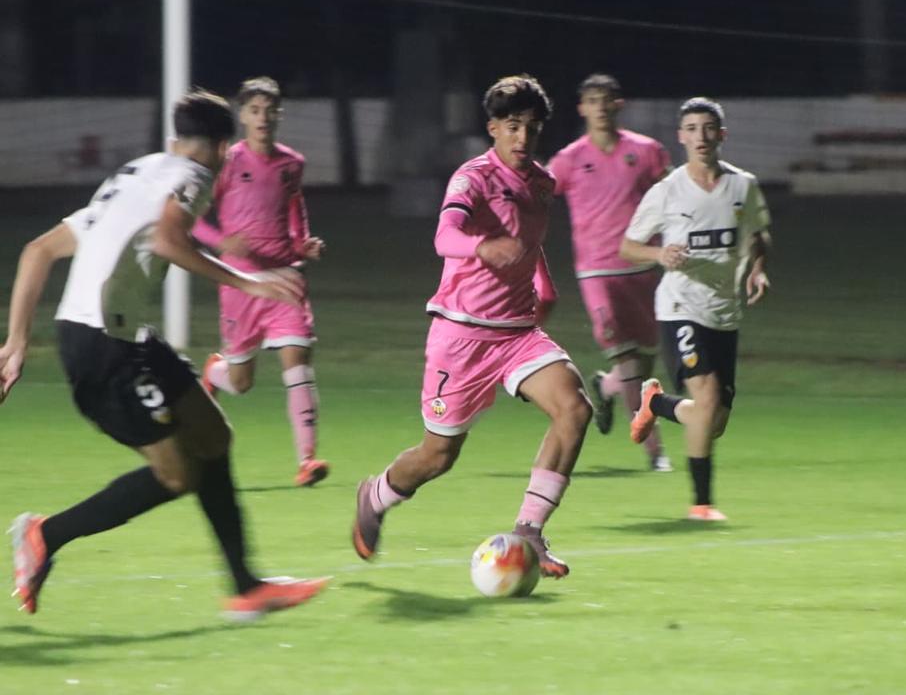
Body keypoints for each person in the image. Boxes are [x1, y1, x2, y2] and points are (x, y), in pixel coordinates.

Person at [0, 91, 329, 619]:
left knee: (213, 437)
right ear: (222, 149)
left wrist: (16, 343)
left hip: (124, 337)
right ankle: (44, 534)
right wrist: (252, 283)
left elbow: (36, 250)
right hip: (102, 348)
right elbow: (172, 241)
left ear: (174, 139)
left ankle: (246, 586)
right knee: (178, 474)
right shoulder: (194, 176)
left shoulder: (134, 175)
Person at [352, 74, 592, 579]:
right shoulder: (473, 178)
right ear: (492, 128)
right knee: (438, 455)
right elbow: (445, 235)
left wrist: (543, 283)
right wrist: (482, 247)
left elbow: (529, 240)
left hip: (517, 333)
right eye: (511, 126)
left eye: (531, 127)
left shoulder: (543, 184)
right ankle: (375, 494)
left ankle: (529, 530)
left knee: (574, 408)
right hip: (460, 336)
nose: (522, 137)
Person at [619, 97, 771, 521]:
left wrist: (758, 269)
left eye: (709, 128)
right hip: (679, 307)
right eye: (692, 128)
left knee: (713, 419)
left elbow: (758, 235)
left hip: (725, 311)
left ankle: (655, 404)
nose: (701, 136)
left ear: (721, 135)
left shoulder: (744, 186)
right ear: (681, 136)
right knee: (705, 400)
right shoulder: (667, 191)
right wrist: (658, 254)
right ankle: (701, 504)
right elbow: (628, 247)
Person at [193, 76, 329, 488]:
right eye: (255, 110)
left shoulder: (292, 163)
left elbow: (294, 207)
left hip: (285, 276)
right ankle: (216, 372)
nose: (263, 118)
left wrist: (301, 243)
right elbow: (193, 219)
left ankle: (307, 459)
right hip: (239, 282)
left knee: (297, 361)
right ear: (242, 115)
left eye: (270, 111)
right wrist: (222, 240)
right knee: (241, 382)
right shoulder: (227, 162)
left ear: (279, 115)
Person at [547, 73, 672, 472]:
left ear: (619, 105)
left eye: (607, 100)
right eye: (592, 100)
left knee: (642, 365)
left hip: (643, 267)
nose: (600, 107)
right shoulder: (568, 160)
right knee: (629, 362)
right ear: (582, 108)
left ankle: (605, 386)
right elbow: (533, 197)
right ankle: (656, 452)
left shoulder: (647, 151)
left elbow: (673, 198)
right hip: (596, 273)